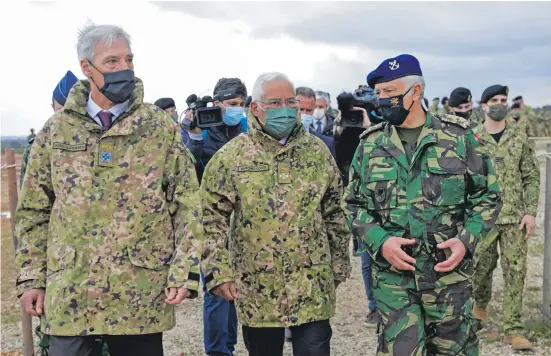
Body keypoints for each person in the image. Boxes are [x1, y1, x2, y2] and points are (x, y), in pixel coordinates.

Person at [15, 23, 203, 356]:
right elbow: (33, 210)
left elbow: (187, 205)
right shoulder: (57, 131)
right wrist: (32, 278)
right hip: (72, 292)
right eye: (112, 61)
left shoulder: (158, 127)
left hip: (139, 294)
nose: (124, 69)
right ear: (87, 68)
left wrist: (183, 271)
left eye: (128, 60)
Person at [343, 54, 501, 355]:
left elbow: (487, 195)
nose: (382, 100)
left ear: (415, 92)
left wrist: (466, 239)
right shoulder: (370, 144)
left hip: (449, 280)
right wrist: (380, 241)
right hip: (394, 283)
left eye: (390, 92)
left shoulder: (459, 138)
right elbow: (352, 203)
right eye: (379, 94)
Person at [201, 72, 351, 356]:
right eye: (275, 103)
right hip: (258, 287)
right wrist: (218, 272)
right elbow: (210, 218)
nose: (285, 109)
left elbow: (334, 211)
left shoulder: (317, 152)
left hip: (312, 284)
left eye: (289, 101)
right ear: (256, 108)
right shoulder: (232, 157)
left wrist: (339, 266)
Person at [472, 85, 540, 351]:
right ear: (484, 105)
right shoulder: (472, 138)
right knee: (480, 271)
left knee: (516, 273)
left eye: (504, 99)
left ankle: (513, 329)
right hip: (483, 219)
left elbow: (531, 177)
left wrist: (531, 212)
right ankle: (479, 305)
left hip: (514, 218)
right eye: (495, 100)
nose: (500, 103)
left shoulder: (518, 137)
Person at [20, 71, 79, 187]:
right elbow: (28, 194)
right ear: (52, 107)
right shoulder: (37, 146)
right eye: (61, 110)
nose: (67, 117)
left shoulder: (102, 141)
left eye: (73, 111)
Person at [184, 77, 248, 182]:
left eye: (242, 104)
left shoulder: (250, 129)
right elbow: (187, 171)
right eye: (233, 104)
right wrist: (195, 138)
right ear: (216, 103)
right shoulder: (202, 131)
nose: (239, 108)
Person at [296, 87, 336, 159]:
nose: (304, 113)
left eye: (308, 110)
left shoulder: (326, 143)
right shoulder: (277, 139)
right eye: (301, 109)